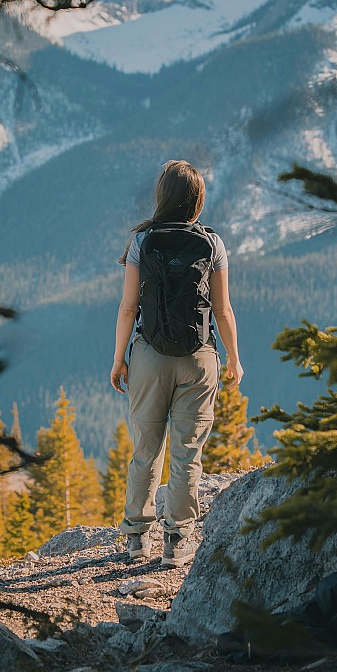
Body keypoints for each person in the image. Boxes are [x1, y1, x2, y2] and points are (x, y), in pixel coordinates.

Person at [110, 160, 243, 568]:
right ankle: (176, 541)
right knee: (187, 451)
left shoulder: (143, 241)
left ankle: (136, 538)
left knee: (146, 449)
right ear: (198, 199)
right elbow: (222, 309)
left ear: (162, 196)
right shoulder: (212, 243)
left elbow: (129, 306)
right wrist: (234, 358)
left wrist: (119, 360)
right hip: (198, 357)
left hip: (149, 356)